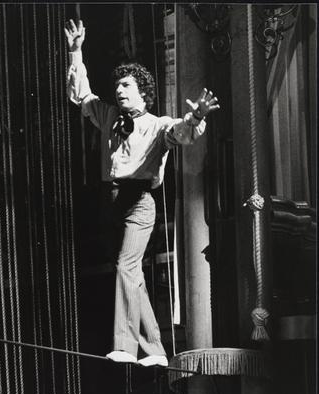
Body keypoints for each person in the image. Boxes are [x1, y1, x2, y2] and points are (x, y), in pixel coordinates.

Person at [65, 19, 220, 367]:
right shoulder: (108, 115)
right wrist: (76, 52)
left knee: (126, 266)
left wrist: (195, 117)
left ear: (143, 93)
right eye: (117, 85)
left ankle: (124, 345)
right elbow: (82, 96)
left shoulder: (156, 125)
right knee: (132, 277)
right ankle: (156, 351)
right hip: (111, 203)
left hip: (139, 204)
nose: (119, 90)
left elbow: (180, 131)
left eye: (126, 85)